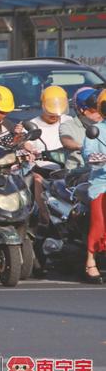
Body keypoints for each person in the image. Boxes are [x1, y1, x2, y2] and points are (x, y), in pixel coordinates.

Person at [28, 85, 72, 227]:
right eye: (50, 114)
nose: (54, 117)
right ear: (42, 106)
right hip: (43, 171)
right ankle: (44, 218)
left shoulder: (69, 122)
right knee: (36, 180)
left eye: (56, 114)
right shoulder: (33, 124)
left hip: (67, 169)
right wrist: (29, 149)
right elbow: (26, 142)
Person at [81, 90, 106, 284]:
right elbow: (89, 155)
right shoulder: (96, 131)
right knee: (99, 220)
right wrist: (100, 159)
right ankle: (90, 260)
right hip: (102, 182)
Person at [60, 87, 101, 170]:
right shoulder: (68, 125)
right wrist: (82, 146)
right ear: (81, 109)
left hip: (102, 171)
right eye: (94, 109)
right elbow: (66, 140)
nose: (99, 112)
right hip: (78, 173)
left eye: (101, 108)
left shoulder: (103, 124)